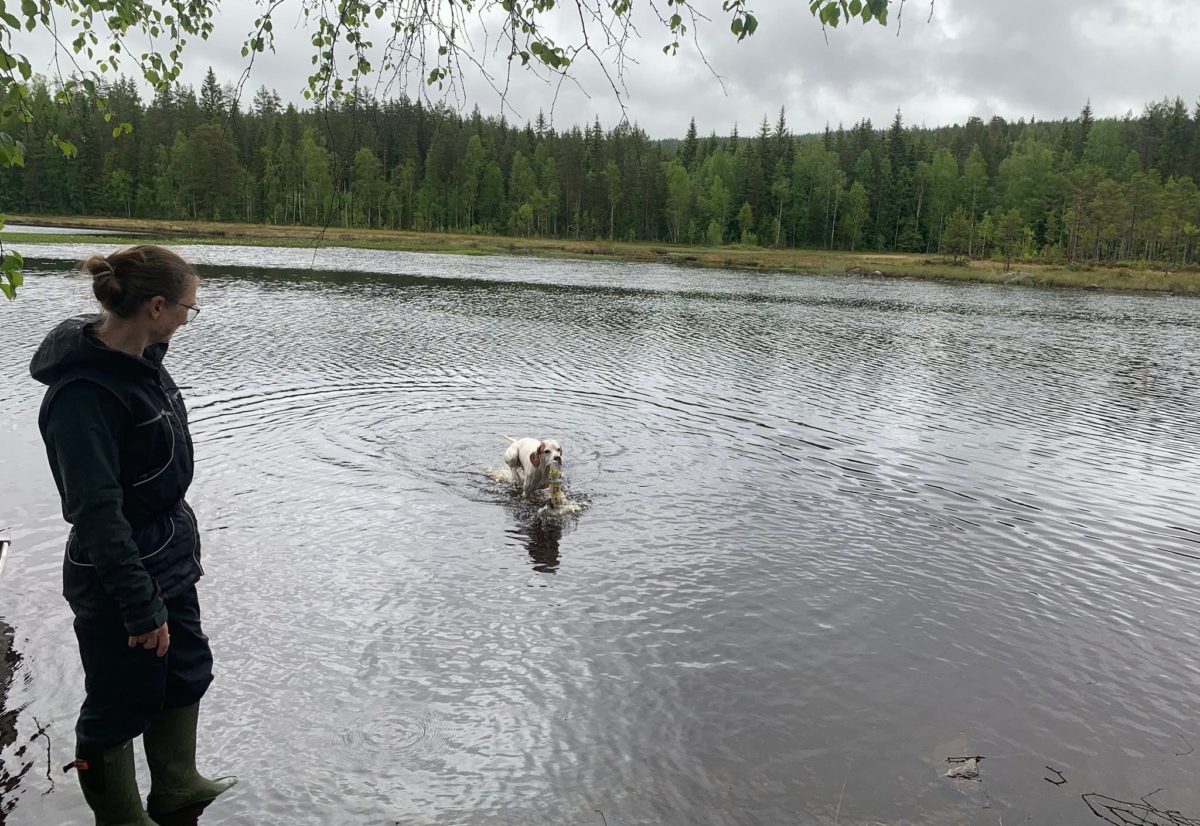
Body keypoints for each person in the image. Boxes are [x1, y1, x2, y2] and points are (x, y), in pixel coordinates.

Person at [29, 246, 236, 825]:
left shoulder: (143, 351)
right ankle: (121, 819)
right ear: (154, 307)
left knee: (187, 666)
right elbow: (95, 513)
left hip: (169, 550)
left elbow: (131, 338)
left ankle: (176, 785)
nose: (189, 320)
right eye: (187, 309)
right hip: (117, 567)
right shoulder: (81, 397)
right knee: (120, 702)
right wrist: (140, 605)